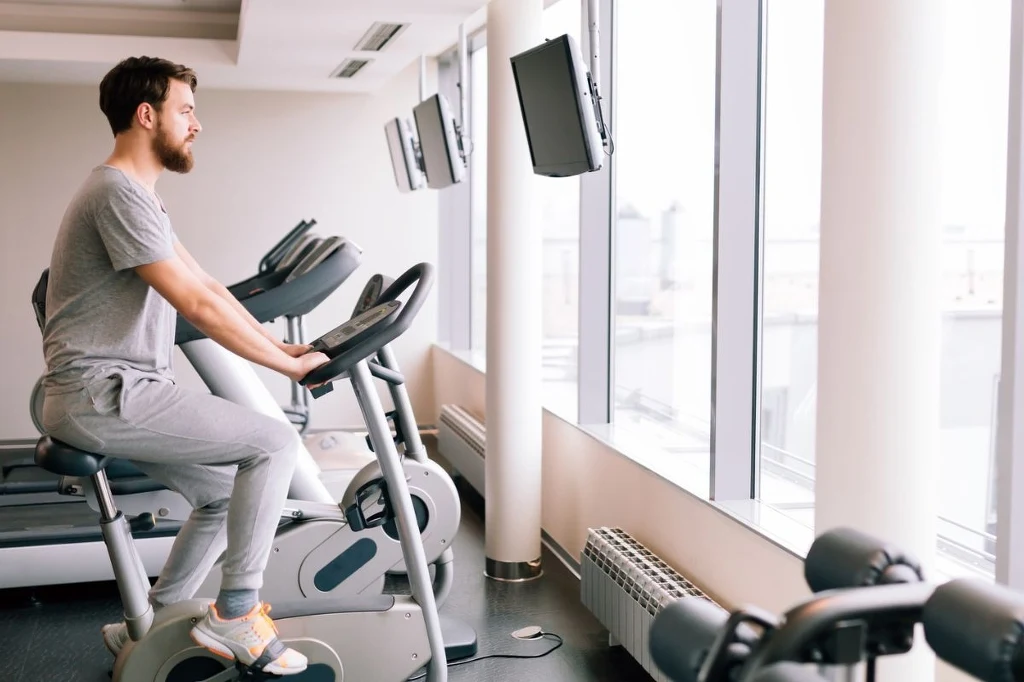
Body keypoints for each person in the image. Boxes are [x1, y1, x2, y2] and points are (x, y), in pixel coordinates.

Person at [39, 55, 327, 676]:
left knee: (224, 494)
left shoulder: (137, 195)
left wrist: (284, 351)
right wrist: (289, 374)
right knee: (275, 443)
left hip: (110, 390)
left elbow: (209, 286)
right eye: (186, 110)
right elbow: (192, 302)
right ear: (148, 115)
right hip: (106, 391)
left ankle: (155, 627)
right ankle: (235, 613)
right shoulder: (116, 193)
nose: (197, 124)